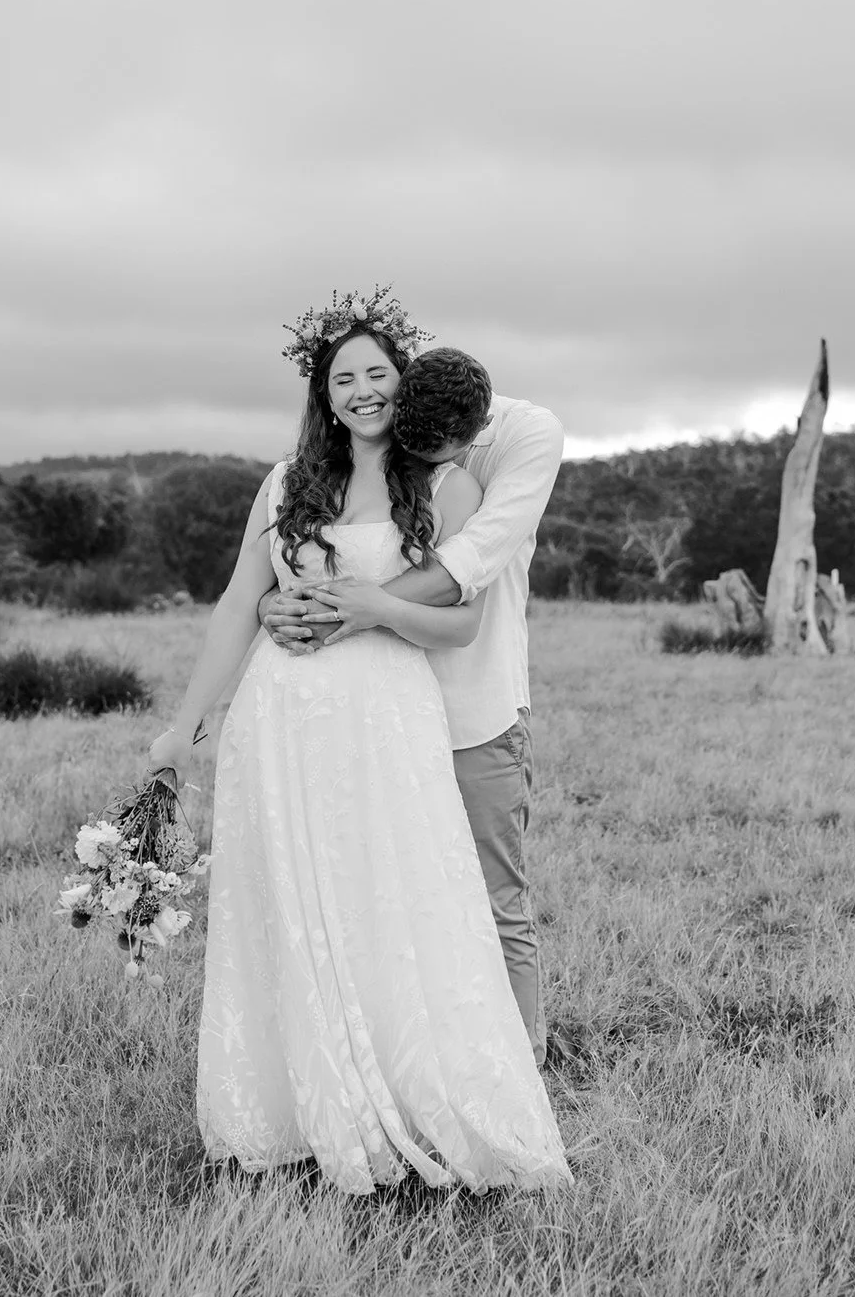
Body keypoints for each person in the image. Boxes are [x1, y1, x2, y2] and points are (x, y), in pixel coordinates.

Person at [147, 289, 571, 1196]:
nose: (363, 389)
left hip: (388, 721)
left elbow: (459, 624)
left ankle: (422, 1092)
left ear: (403, 382)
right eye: (345, 378)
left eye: (378, 371)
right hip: (282, 723)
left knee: (397, 902)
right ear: (325, 396)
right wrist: (184, 725)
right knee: (296, 904)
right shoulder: (283, 481)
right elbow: (235, 603)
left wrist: (366, 611)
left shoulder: (446, 483)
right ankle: (307, 1103)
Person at [262, 347, 564, 1069]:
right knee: (399, 897)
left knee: (495, 900)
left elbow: (473, 561)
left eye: (440, 455)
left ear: (475, 430)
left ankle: (521, 1064)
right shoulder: (374, 459)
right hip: (377, 719)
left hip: (473, 704)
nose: (421, 463)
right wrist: (283, 601)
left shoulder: (525, 440)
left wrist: (366, 607)